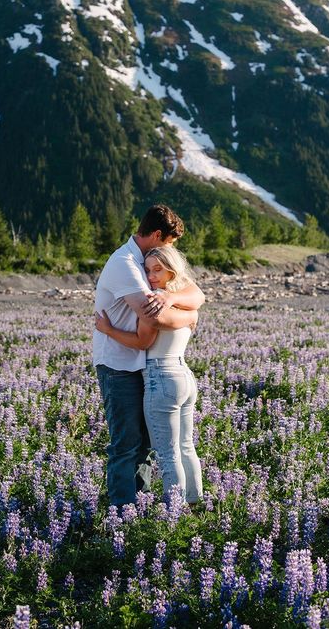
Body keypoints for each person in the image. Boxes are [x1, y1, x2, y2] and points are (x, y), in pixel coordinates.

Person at [93, 204, 205, 508]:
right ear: (157, 235)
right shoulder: (125, 264)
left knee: (145, 447)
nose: (169, 252)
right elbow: (153, 320)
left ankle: (138, 505)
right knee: (127, 446)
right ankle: (122, 512)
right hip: (119, 364)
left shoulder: (152, 266)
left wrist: (173, 298)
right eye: (169, 243)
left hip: (147, 367)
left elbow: (198, 295)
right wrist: (191, 316)